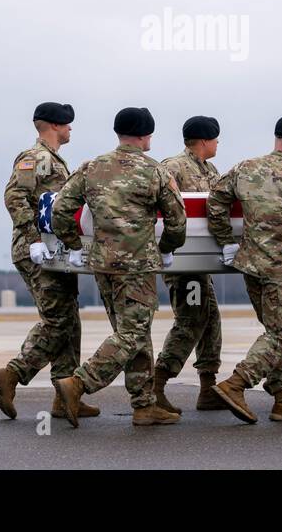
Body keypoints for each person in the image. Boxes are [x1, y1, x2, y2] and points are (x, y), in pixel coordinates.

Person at [51, 108, 188, 427]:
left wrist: (73, 243)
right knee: (133, 332)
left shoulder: (91, 167)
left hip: (103, 265)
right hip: (137, 266)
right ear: (144, 134)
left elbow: (61, 210)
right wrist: (166, 248)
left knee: (131, 333)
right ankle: (78, 384)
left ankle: (144, 404)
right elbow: (177, 220)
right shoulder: (154, 171)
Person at [208, 116, 282, 424]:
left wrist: (226, 241)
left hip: (250, 265)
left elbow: (215, 201)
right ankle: (236, 383)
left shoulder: (245, 168)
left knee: (279, 333)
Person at [0, 101, 98, 420]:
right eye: (67, 123)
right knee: (58, 320)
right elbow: (14, 197)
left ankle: (64, 396)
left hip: (56, 252)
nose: (70, 128)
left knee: (69, 319)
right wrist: (34, 239)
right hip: (36, 251)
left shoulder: (53, 160)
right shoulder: (33, 158)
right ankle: (10, 375)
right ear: (52, 125)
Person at [152, 115, 225, 414]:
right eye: (217, 139)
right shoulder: (172, 167)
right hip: (181, 261)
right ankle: (157, 383)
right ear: (205, 140)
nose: (219, 144)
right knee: (192, 318)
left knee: (210, 319)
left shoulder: (211, 170)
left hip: (201, 262)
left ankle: (208, 388)